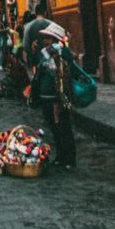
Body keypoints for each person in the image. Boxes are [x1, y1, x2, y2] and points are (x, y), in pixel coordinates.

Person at [32, 22, 79, 172]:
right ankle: (60, 156)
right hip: (46, 97)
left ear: (55, 39)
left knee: (63, 128)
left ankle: (69, 159)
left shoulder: (63, 52)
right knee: (53, 128)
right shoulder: (44, 53)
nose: (45, 41)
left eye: (48, 38)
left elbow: (67, 71)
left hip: (57, 98)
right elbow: (39, 72)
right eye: (45, 38)